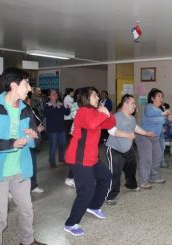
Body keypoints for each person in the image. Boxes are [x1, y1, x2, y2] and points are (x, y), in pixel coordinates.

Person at [0, 67, 46, 245]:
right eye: (26, 83)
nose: (29, 88)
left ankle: (27, 241)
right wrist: (11, 143)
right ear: (14, 85)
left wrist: (32, 136)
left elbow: (35, 142)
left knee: (27, 210)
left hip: (20, 170)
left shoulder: (26, 109)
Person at [64, 86, 115, 236]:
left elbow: (110, 123)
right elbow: (92, 124)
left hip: (91, 157)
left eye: (97, 96)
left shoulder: (94, 112)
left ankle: (93, 206)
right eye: (94, 96)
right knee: (86, 190)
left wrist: (106, 112)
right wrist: (102, 112)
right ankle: (70, 223)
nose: (98, 98)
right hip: (78, 158)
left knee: (106, 177)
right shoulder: (82, 112)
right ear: (86, 98)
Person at [105, 94, 155, 205]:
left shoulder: (132, 118)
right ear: (125, 104)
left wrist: (147, 133)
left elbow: (135, 127)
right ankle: (110, 196)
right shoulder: (116, 117)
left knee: (132, 167)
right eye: (132, 103)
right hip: (114, 150)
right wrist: (127, 135)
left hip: (127, 150)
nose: (135, 105)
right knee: (115, 173)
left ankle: (131, 185)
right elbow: (111, 130)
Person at [136, 88, 171, 189]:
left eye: (162, 96)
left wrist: (169, 119)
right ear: (152, 98)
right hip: (144, 136)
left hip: (155, 137)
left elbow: (164, 122)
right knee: (146, 159)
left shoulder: (160, 110)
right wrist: (164, 114)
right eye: (159, 96)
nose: (161, 98)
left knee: (158, 156)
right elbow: (150, 113)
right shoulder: (149, 107)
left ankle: (154, 177)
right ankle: (143, 181)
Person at [44, 89, 70, 168]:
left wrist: (67, 108)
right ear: (49, 96)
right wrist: (54, 107)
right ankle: (52, 161)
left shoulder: (60, 104)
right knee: (53, 145)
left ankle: (61, 158)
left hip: (61, 128)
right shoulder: (47, 105)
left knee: (62, 144)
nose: (55, 95)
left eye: (56, 94)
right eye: (53, 94)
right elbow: (47, 114)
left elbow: (67, 113)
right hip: (52, 130)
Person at [25, 92, 44, 194]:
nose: (29, 102)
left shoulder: (32, 110)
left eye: (28, 100)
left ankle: (33, 185)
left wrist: (38, 129)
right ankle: (11, 189)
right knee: (20, 168)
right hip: (24, 143)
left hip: (33, 142)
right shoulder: (20, 112)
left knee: (33, 165)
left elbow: (37, 121)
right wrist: (36, 130)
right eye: (27, 100)